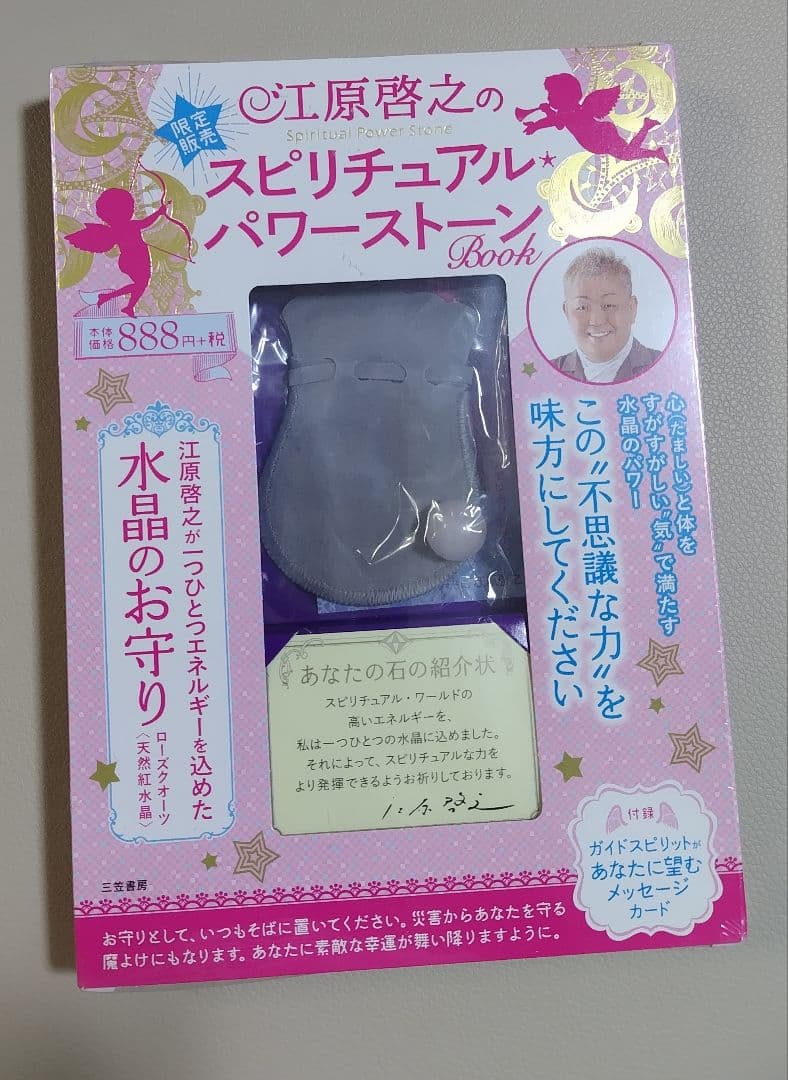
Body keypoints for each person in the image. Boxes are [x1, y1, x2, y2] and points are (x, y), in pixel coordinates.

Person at [551, 247, 661, 383]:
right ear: (567, 312)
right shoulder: (545, 374)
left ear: (632, 308)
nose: (597, 320)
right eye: (582, 307)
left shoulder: (665, 367)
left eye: (609, 305)